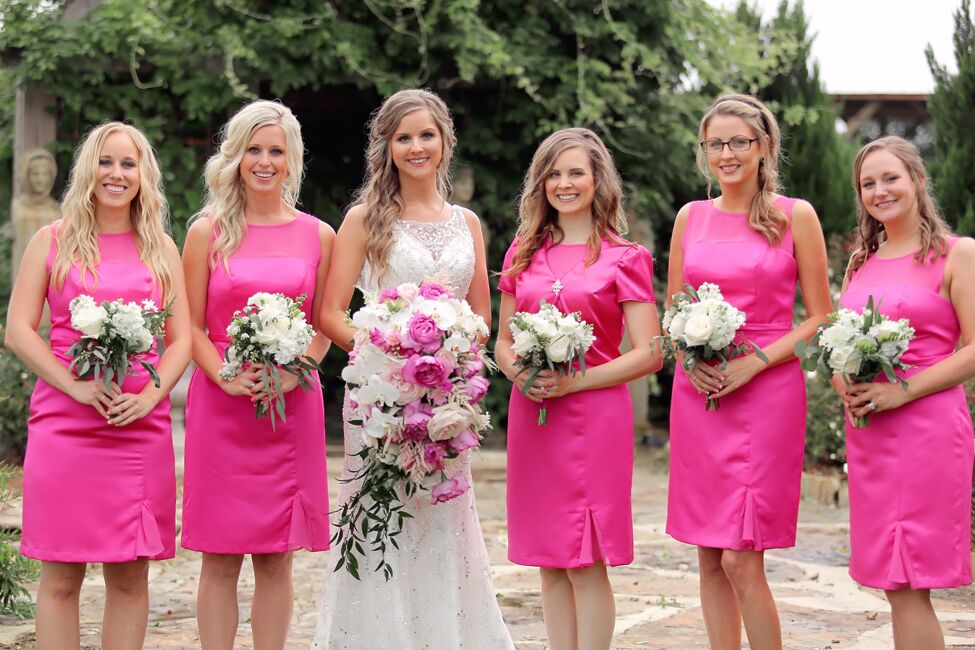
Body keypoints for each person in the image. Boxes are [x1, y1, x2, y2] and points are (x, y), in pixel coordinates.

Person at [314, 88, 513, 649]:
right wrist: (393, 354)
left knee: (446, 522)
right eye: (404, 137)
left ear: (445, 141)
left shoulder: (467, 223)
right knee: (384, 520)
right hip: (381, 399)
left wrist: (452, 364)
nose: (416, 146)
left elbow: (479, 315)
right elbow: (331, 314)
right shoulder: (364, 219)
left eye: (427, 135)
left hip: (448, 401)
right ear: (387, 146)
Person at [4, 122, 191, 649]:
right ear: (89, 169)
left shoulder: (160, 248)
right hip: (65, 426)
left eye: (128, 164)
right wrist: (75, 387)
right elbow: (19, 329)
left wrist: (152, 396)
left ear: (143, 175)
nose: (116, 174)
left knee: (130, 576)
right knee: (62, 576)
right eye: (106, 162)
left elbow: (179, 340)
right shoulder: (53, 240)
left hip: (137, 427)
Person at [664, 94, 831, 649]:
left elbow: (821, 319)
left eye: (740, 142)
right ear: (704, 150)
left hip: (767, 390)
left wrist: (754, 362)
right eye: (717, 143)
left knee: (741, 555)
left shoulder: (795, 215)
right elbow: (672, 312)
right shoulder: (690, 218)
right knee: (709, 555)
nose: (728, 153)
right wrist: (692, 359)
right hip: (702, 392)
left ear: (764, 147)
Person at [495, 127, 662, 650]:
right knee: (549, 560)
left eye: (576, 173)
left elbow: (649, 352)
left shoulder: (624, 256)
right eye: (554, 174)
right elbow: (501, 340)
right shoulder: (521, 252)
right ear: (540, 183)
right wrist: (520, 373)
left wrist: (576, 382)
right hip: (535, 415)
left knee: (586, 558)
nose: (564, 184)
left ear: (597, 181)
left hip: (594, 418)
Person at [180, 99, 333, 649]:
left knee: (276, 557)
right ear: (237, 156)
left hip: (290, 408)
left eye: (276, 150)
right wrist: (222, 373)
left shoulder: (320, 235)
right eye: (254, 149)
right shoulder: (206, 232)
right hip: (222, 404)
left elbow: (326, 322)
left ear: (292, 160)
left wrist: (300, 370)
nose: (264, 161)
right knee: (219, 556)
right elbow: (189, 325)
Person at [833, 136, 974, 649]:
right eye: (868, 184)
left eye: (890, 178)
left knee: (913, 578)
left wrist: (903, 391)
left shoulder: (958, 255)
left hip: (928, 430)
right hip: (871, 435)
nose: (879, 191)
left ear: (917, 179)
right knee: (894, 583)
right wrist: (843, 382)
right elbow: (836, 343)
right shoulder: (859, 265)